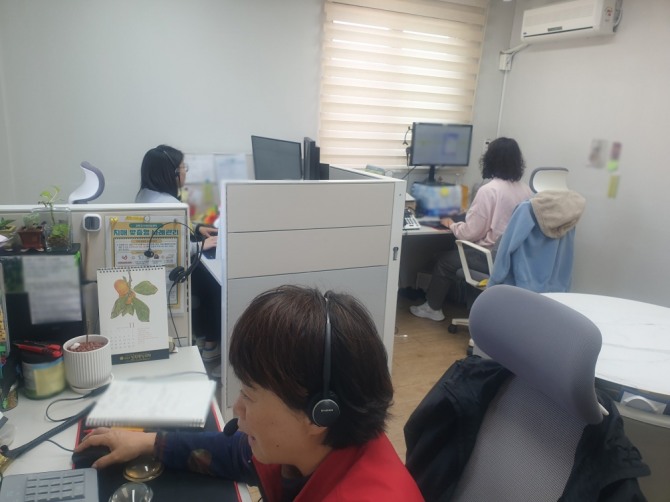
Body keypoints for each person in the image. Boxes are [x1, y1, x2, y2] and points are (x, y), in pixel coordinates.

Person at [75, 285, 425, 501]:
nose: (236, 407)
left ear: (320, 413)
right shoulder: (308, 447)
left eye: (250, 395)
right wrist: (148, 443)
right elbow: (236, 453)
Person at [410, 137, 533, 321]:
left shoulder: (489, 190)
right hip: (513, 258)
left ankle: (433, 308)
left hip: (489, 257)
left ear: (490, 159)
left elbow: (470, 233)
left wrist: (451, 223)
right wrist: (468, 215)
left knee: (443, 260)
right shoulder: (526, 190)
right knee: (453, 252)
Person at [135, 145, 221, 362]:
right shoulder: (169, 204)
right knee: (214, 283)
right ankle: (211, 345)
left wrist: (197, 228)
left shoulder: (145, 195)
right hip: (171, 272)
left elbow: (169, 233)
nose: (185, 172)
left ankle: (203, 338)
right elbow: (174, 248)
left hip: (155, 268)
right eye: (183, 168)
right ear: (172, 173)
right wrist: (202, 245)